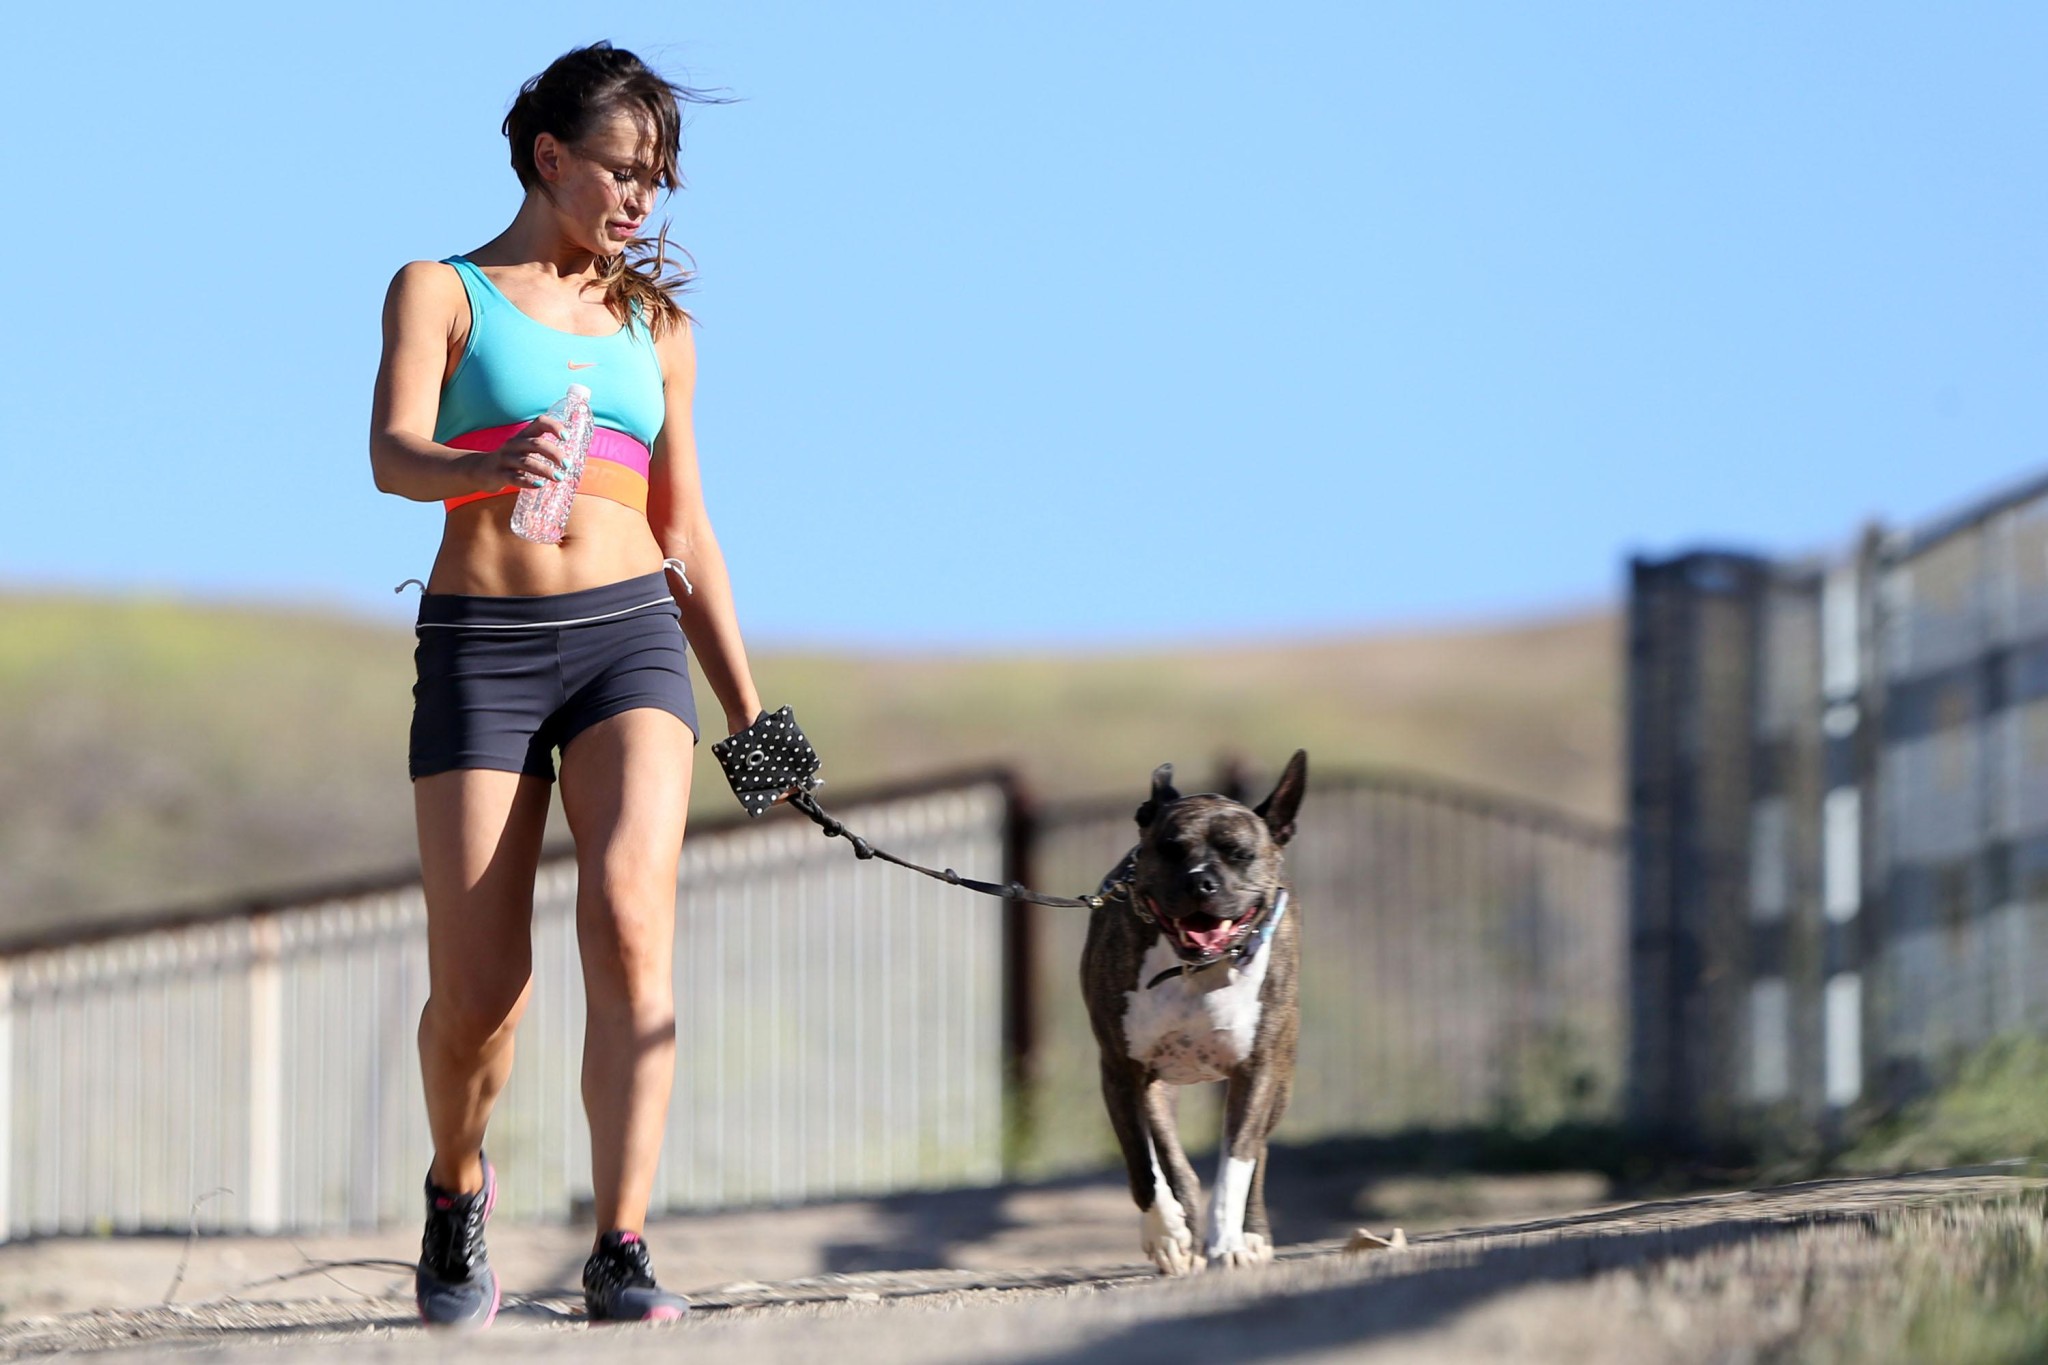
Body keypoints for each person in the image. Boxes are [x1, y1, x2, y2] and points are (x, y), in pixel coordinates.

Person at [368, 42, 762, 1329]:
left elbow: (686, 534)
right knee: (480, 989)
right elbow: (391, 458)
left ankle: (621, 1243)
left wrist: (753, 721)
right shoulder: (443, 289)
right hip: (481, 646)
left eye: (657, 179)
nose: (641, 199)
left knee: (630, 925)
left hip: (628, 644)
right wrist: (492, 466)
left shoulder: (660, 330)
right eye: (622, 170)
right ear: (550, 157)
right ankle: (455, 1183)